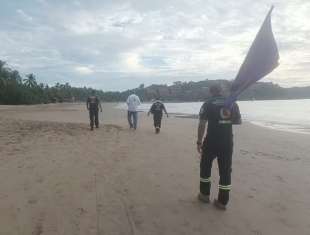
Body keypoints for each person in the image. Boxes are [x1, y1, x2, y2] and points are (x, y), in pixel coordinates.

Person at [196, 84, 241, 210]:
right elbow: (238, 122)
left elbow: (202, 124)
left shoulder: (208, 103)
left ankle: (204, 195)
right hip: (226, 142)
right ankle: (222, 202)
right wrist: (226, 116)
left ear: (211, 91)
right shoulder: (232, 102)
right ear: (221, 91)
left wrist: (199, 141)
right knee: (225, 171)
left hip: (211, 141)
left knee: (205, 167)